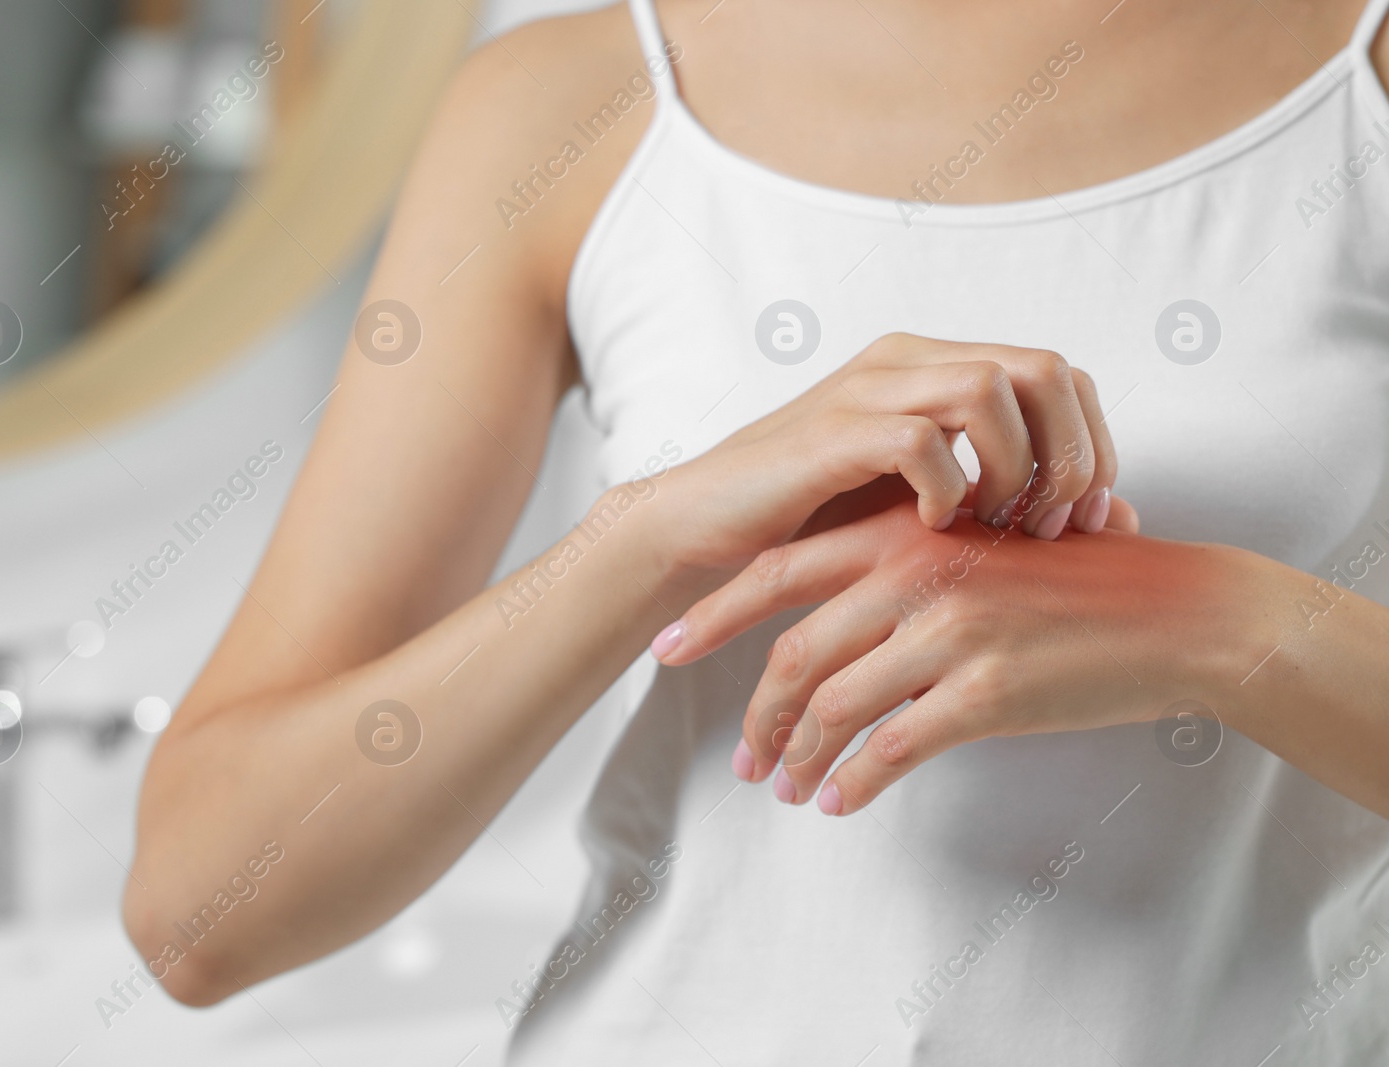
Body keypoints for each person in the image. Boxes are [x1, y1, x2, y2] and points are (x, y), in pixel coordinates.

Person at [125, 0, 1389, 1060]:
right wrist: (653, 535)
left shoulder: (1360, 82)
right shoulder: (572, 105)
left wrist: (1229, 626)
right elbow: (202, 908)